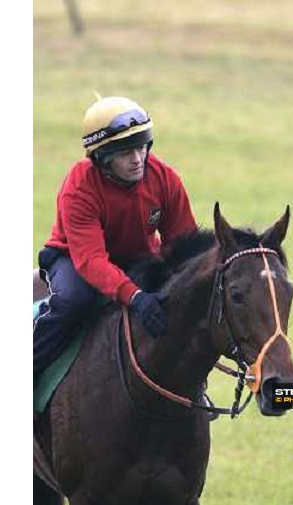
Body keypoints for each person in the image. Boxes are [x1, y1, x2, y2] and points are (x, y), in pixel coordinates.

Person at [34, 95, 197, 375]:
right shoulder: (79, 187)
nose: (137, 160)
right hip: (73, 259)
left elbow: (184, 245)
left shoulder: (165, 178)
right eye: (125, 153)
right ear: (101, 159)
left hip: (139, 259)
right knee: (75, 301)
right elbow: (92, 261)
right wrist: (135, 297)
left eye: (141, 148)